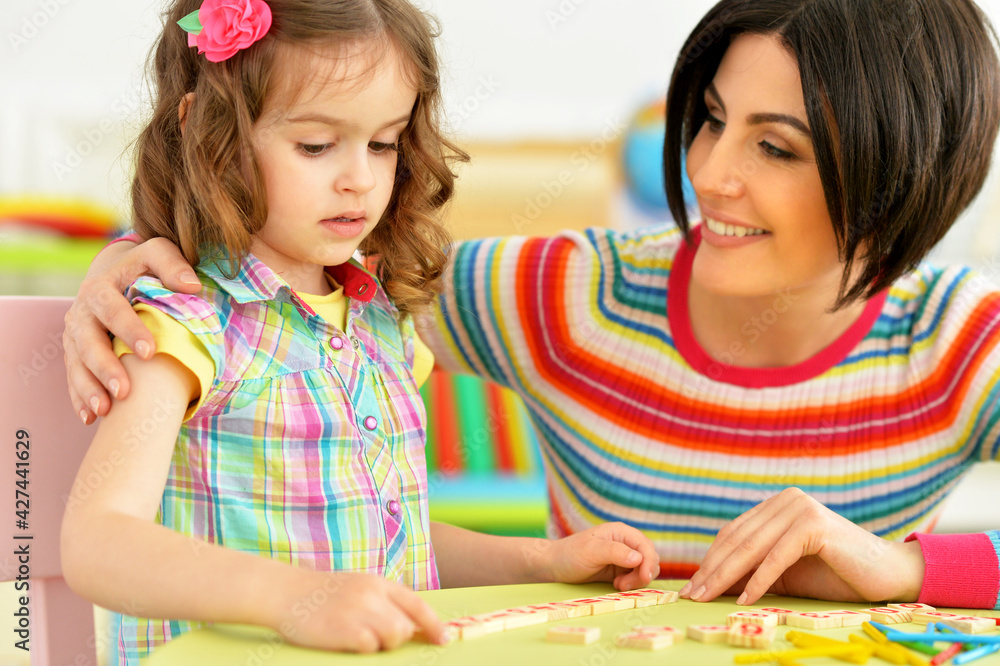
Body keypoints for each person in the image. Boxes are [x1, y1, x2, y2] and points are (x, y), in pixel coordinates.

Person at [64, 0, 1000, 615]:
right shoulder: (568, 296)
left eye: (777, 148)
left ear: (902, 173)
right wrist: (127, 263)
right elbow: (273, 272)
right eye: (711, 120)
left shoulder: (964, 339)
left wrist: (908, 568)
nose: (709, 174)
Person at [58, 0, 661, 662]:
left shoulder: (381, 320)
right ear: (210, 134)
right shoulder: (186, 320)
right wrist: (294, 598)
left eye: (383, 143)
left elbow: (390, 545)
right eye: (316, 146)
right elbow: (98, 542)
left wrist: (540, 560)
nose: (360, 179)